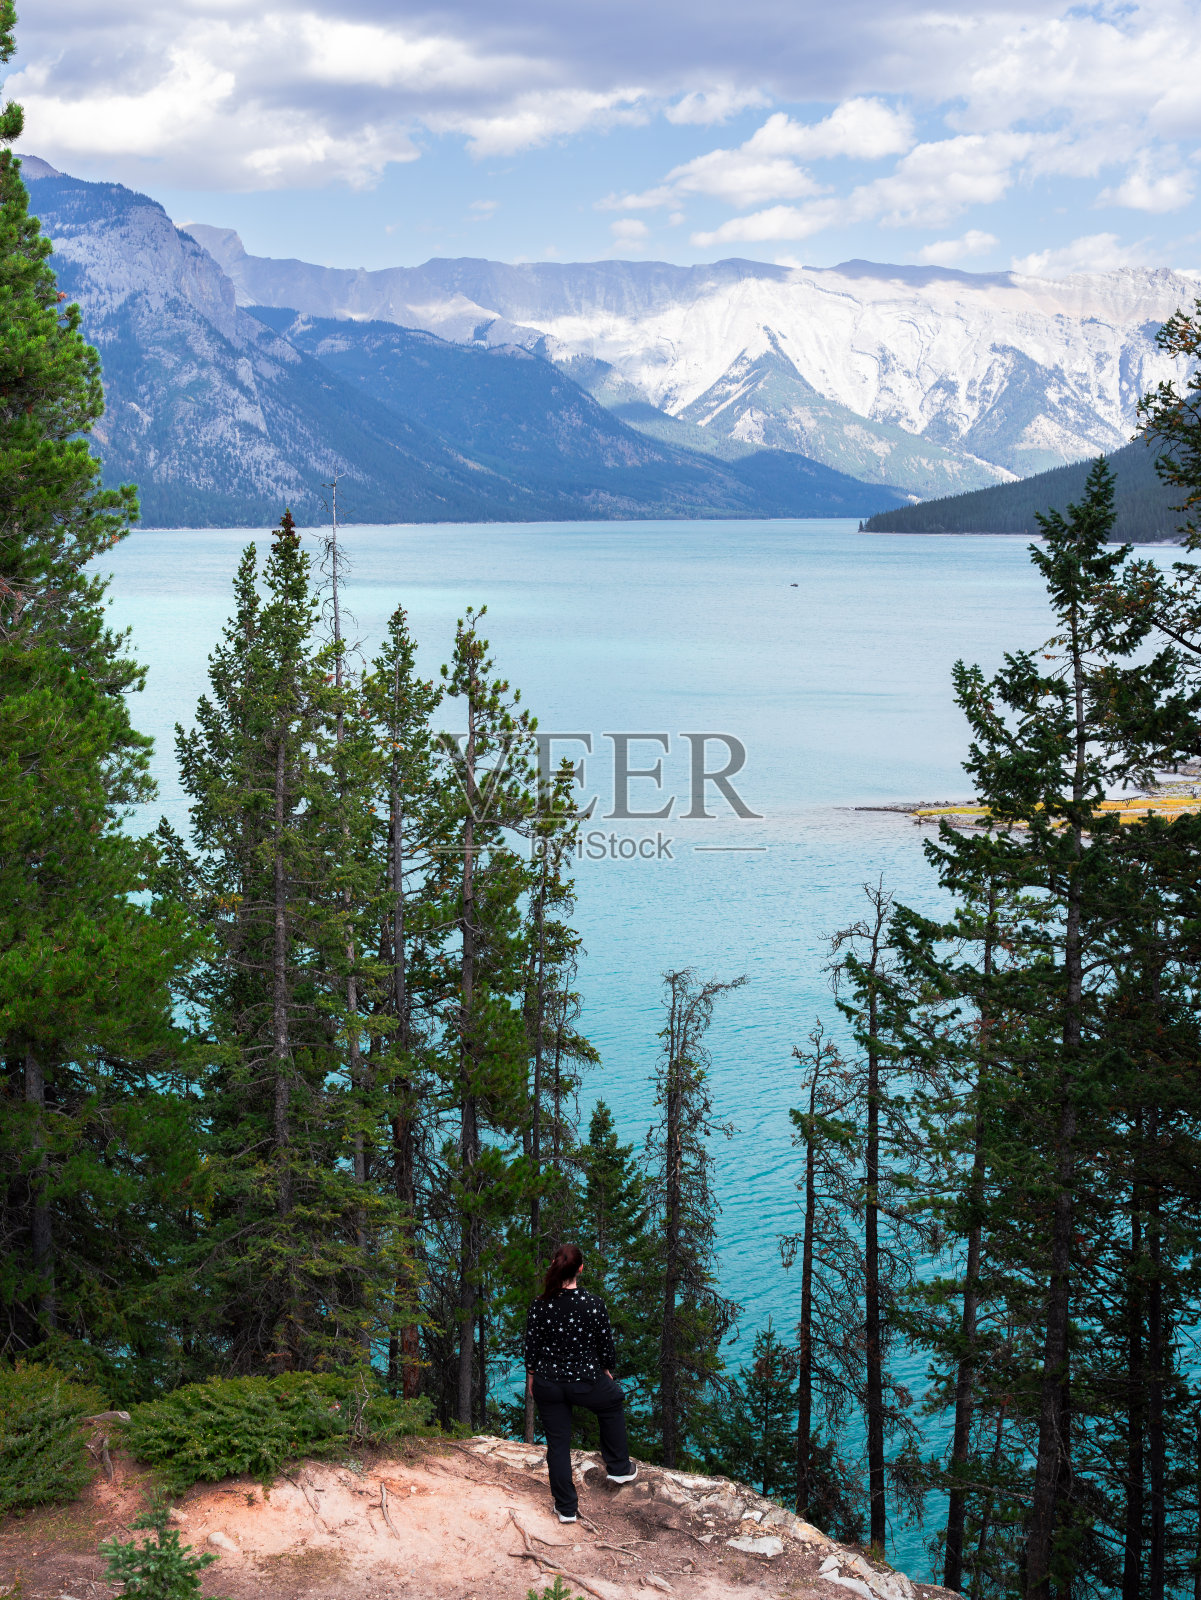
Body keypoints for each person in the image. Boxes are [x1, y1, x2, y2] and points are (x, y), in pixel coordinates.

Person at [524, 1242, 637, 1522]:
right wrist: (607, 1371)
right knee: (612, 1401)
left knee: (558, 1445)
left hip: (548, 1383)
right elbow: (605, 1346)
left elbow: (531, 1348)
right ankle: (619, 1468)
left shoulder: (539, 1305)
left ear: (554, 1265)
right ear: (581, 1269)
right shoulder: (593, 1304)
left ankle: (565, 1509)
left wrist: (532, 1378)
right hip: (585, 1380)